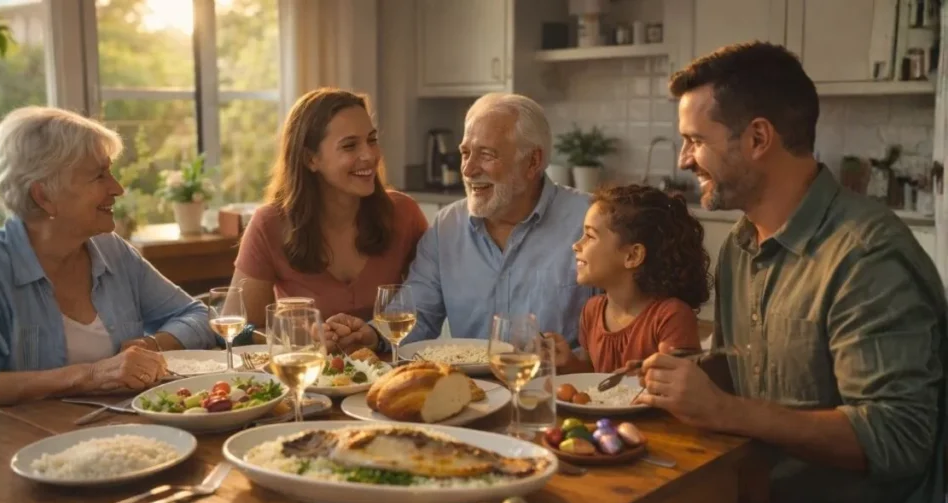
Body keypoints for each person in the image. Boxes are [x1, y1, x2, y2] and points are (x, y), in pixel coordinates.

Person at [634, 42, 946, 503]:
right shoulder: (740, 246)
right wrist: (682, 374)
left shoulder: (865, 256)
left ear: (758, 137)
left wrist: (725, 411)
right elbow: (752, 367)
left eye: (694, 141)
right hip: (753, 499)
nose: (683, 160)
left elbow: (896, 437)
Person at [0, 106, 217, 503]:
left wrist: (148, 349)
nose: (118, 189)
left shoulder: (113, 252)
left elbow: (195, 314)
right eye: (99, 175)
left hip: (124, 452)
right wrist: (90, 374)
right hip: (24, 477)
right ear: (45, 194)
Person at [326, 93, 596, 352]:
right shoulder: (447, 227)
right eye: (466, 153)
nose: (468, 170)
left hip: (561, 393)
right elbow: (419, 313)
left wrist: (574, 363)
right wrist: (371, 335)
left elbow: (621, 333)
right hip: (472, 394)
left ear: (532, 161)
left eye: (486, 155)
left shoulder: (588, 222)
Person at [230, 88, 428, 330]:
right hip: (308, 366)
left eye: (372, 140)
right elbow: (238, 329)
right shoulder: (269, 223)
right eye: (350, 146)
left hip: (385, 366)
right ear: (310, 159)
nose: (369, 155)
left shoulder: (403, 213)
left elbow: (430, 300)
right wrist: (298, 336)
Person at [548, 184, 710, 374]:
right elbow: (592, 378)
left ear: (632, 256)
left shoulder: (671, 317)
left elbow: (678, 389)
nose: (576, 245)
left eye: (590, 236)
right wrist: (569, 363)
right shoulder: (592, 311)